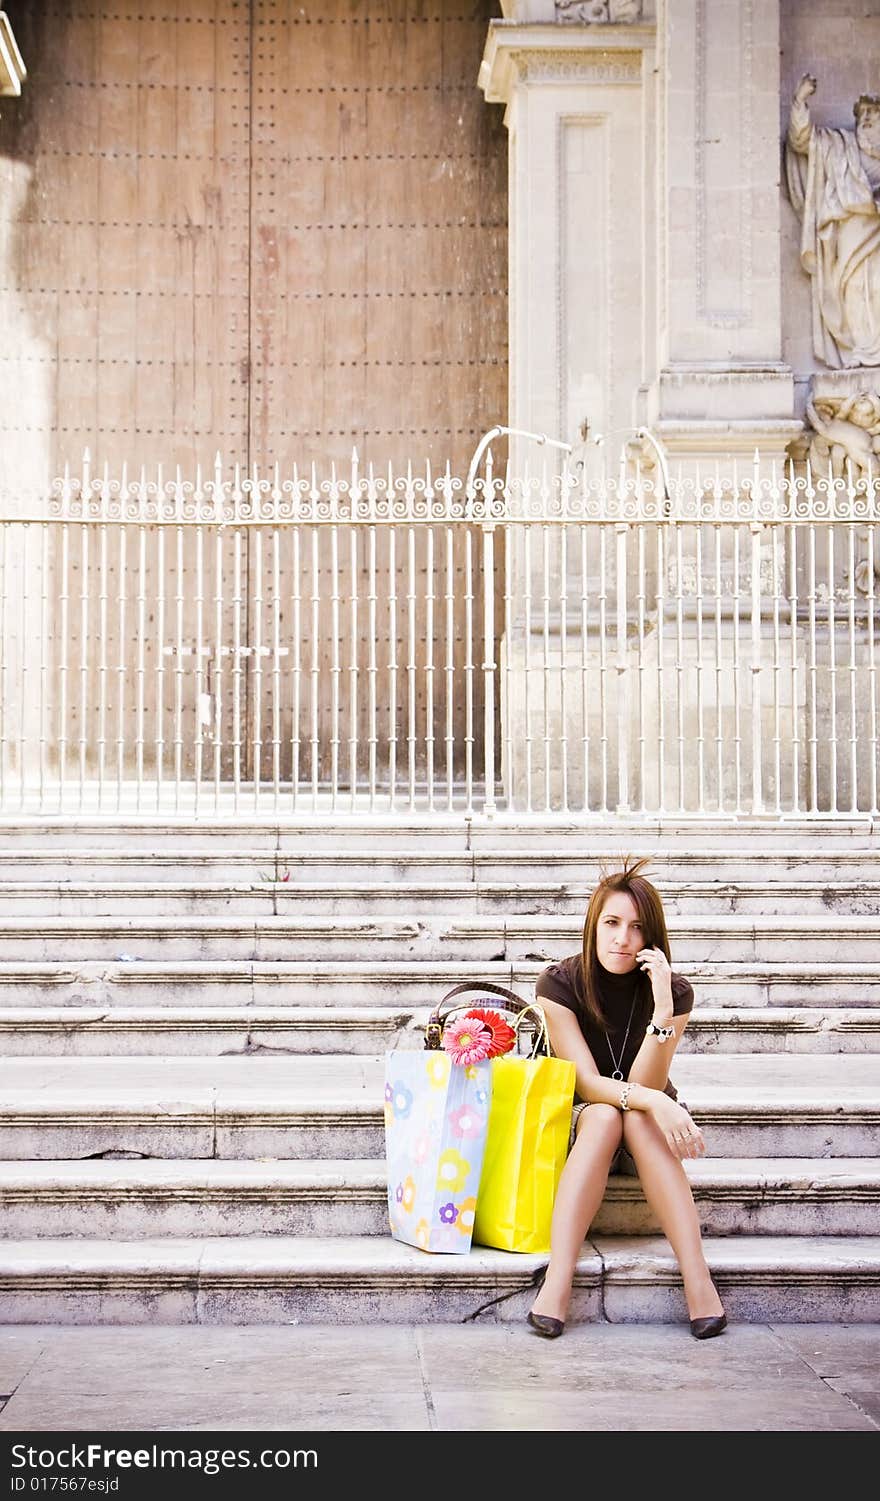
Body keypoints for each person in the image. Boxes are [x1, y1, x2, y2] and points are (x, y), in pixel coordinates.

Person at [527, 857, 727, 1341]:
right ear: (593, 926)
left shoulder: (674, 992)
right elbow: (587, 1082)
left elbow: (648, 1081)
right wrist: (654, 1102)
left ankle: (697, 1280)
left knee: (634, 1119)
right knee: (603, 1117)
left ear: (652, 937)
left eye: (636, 928)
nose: (622, 939)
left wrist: (661, 1008)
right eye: (611, 923)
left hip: (647, 1117)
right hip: (588, 1112)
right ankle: (558, 1280)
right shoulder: (559, 984)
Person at [786, 74, 880, 368]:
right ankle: (862, 351)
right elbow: (804, 140)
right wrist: (800, 101)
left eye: (873, 113)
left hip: (875, 238)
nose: (866, 118)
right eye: (862, 113)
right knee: (852, 290)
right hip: (849, 239)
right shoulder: (839, 145)